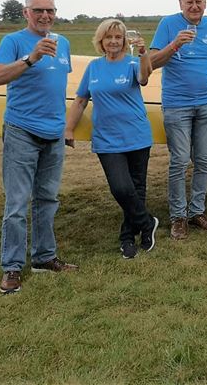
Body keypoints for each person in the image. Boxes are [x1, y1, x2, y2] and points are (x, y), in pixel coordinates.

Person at [0, 0, 77, 295]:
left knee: (47, 199)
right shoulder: (12, 42)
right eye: (38, 10)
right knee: (16, 204)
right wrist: (31, 58)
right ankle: (11, 267)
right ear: (26, 13)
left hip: (54, 133)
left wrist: (66, 127)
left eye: (50, 10)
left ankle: (44, 257)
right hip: (21, 131)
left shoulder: (63, 42)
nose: (45, 16)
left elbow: (57, 85)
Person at [64, 20, 159, 259]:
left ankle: (128, 237)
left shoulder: (132, 63)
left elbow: (145, 78)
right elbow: (81, 100)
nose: (114, 41)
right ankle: (147, 222)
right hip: (107, 140)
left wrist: (144, 54)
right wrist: (68, 129)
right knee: (121, 188)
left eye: (118, 37)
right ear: (101, 41)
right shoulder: (93, 67)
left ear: (124, 40)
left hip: (136, 135)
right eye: (109, 38)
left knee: (137, 189)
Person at [150, 0, 207, 240]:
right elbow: (151, 62)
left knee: (204, 161)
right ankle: (178, 217)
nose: (194, 7)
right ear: (180, 3)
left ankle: (197, 212)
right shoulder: (168, 24)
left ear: (205, 4)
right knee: (180, 161)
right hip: (176, 105)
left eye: (199, 2)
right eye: (189, 2)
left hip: (205, 104)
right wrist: (174, 45)